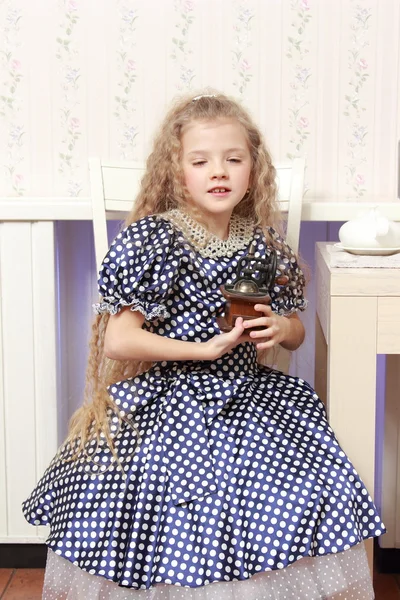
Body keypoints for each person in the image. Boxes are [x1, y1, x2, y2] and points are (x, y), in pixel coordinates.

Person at [23, 92, 384, 600]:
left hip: (251, 395)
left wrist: (282, 329)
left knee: (300, 482)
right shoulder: (157, 239)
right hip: (170, 398)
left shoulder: (264, 243)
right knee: (161, 489)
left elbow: (298, 328)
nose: (219, 171)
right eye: (201, 160)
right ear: (177, 172)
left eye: (233, 159)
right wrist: (202, 350)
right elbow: (120, 340)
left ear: (252, 169)